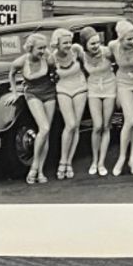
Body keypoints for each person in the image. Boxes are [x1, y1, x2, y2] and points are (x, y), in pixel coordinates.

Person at [7, 32, 58, 186]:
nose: (43, 51)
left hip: (49, 93)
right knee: (44, 127)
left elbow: (55, 73)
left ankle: (40, 171)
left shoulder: (48, 59)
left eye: (44, 48)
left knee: (46, 133)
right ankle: (34, 167)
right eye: (39, 48)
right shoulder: (21, 61)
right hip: (33, 94)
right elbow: (12, 74)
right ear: (30, 48)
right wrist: (15, 92)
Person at [108, 19, 133, 176]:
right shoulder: (113, 46)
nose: (132, 42)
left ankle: (132, 159)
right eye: (128, 39)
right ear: (120, 38)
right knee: (130, 119)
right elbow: (100, 54)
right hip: (123, 82)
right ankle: (121, 157)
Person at [50, 27, 89, 181]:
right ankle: (62, 160)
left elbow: (88, 67)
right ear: (56, 44)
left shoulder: (77, 51)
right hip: (63, 89)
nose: (68, 45)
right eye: (64, 43)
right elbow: (46, 75)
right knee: (70, 124)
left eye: (69, 42)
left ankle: (68, 163)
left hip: (80, 87)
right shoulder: (51, 58)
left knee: (76, 125)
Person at [81, 29, 116, 176]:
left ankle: (102, 162)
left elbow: (123, 58)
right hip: (93, 89)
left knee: (106, 126)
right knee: (97, 126)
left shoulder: (107, 52)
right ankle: (94, 161)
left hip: (109, 87)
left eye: (98, 42)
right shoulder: (81, 55)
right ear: (85, 44)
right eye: (92, 43)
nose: (96, 46)